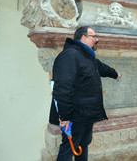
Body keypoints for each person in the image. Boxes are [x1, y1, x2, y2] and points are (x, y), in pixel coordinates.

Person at [49, 26, 122, 161]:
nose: (97, 39)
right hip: (73, 115)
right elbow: (62, 89)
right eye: (94, 36)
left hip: (86, 114)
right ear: (83, 37)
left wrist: (115, 74)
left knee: (83, 144)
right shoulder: (69, 55)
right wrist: (65, 116)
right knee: (68, 149)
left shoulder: (86, 56)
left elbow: (101, 68)